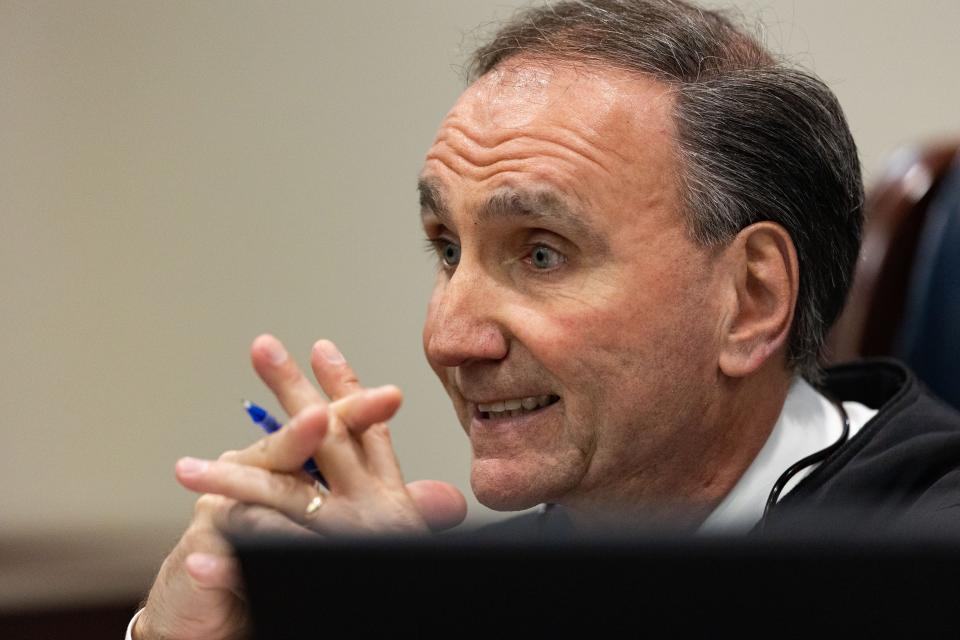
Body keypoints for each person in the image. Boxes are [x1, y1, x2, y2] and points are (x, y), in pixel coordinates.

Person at [128, 0, 960, 638]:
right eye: (447, 249)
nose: (451, 339)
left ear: (751, 300)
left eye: (541, 253)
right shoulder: (467, 586)